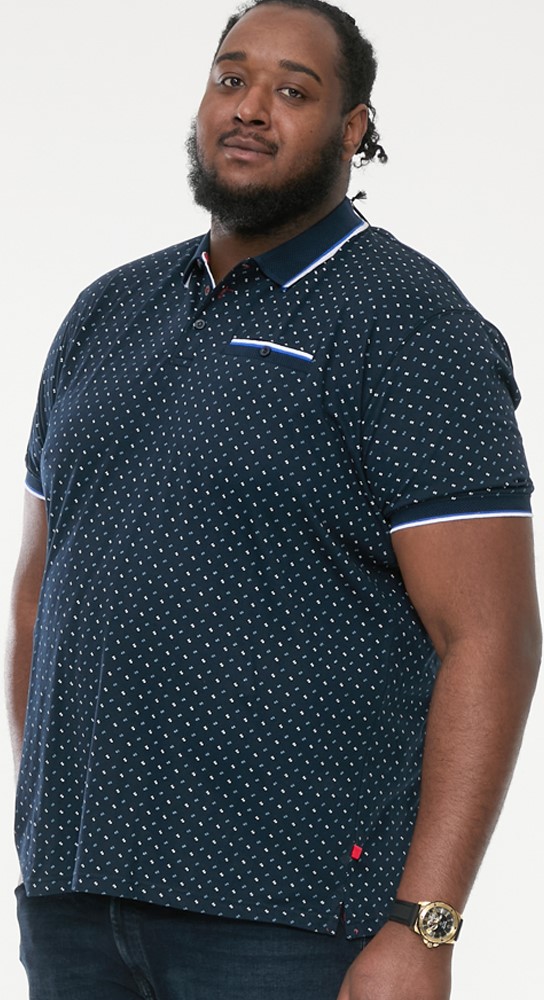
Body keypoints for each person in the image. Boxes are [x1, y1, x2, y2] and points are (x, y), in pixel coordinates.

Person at [6, 1, 541, 998]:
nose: (250, 107)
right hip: (75, 909)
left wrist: (425, 925)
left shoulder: (410, 327)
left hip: (288, 924)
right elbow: (43, 587)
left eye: (293, 90)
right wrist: (52, 825)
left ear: (352, 129)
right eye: (231, 78)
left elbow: (490, 637)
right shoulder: (106, 311)